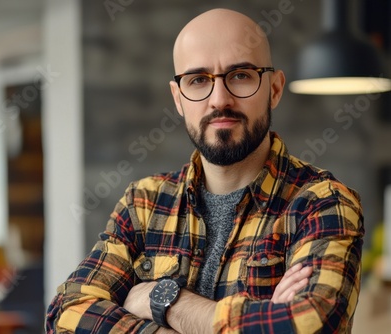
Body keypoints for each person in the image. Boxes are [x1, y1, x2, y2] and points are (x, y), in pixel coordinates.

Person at [46, 8, 364, 334]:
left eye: (240, 75)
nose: (219, 99)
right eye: (198, 80)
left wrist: (163, 300)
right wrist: (256, 320)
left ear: (274, 88)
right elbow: (65, 315)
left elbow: (311, 325)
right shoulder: (143, 204)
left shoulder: (322, 204)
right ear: (179, 98)